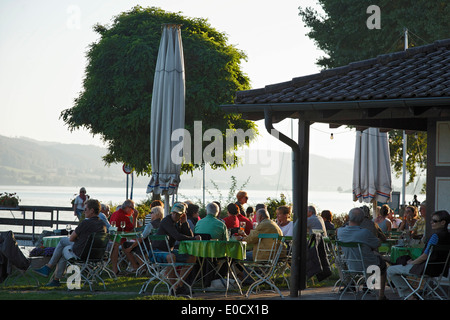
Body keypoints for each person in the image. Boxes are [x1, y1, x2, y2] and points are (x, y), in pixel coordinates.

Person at [33, 199, 107, 286]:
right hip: (95, 255)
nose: (84, 212)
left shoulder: (85, 223)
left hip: (81, 255)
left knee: (63, 241)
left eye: (85, 209)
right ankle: (55, 280)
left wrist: (78, 240)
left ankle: (49, 268)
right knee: (64, 249)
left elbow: (71, 238)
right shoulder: (103, 224)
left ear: (92, 210)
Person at [387, 210, 450, 299]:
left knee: (390, 270)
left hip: (425, 269)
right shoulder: (448, 236)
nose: (431, 222)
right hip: (440, 269)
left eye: (434, 221)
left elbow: (425, 256)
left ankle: (409, 295)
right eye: (431, 220)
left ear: (443, 222)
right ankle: (411, 293)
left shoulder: (435, 236)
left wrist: (412, 263)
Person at [337, 207, 387, 300]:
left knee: (338, 258)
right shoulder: (365, 233)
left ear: (349, 217)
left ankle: (349, 283)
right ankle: (380, 295)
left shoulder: (340, 231)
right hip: (366, 264)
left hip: (350, 263)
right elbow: (377, 243)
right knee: (382, 264)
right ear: (362, 219)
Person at [151, 202, 201, 295]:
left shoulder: (179, 223)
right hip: (156, 252)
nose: (174, 215)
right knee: (172, 256)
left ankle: (179, 285)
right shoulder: (166, 221)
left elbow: (189, 235)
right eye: (173, 212)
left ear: (182, 214)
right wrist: (194, 238)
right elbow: (177, 236)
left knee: (192, 257)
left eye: (177, 213)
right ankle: (175, 288)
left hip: (169, 251)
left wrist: (185, 222)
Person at [109, 199, 139, 274]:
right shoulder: (123, 217)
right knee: (130, 246)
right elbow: (133, 230)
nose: (133, 211)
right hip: (119, 241)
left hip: (112, 239)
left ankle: (134, 266)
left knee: (128, 245)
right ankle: (136, 266)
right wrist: (135, 217)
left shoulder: (115, 213)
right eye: (133, 209)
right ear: (128, 207)